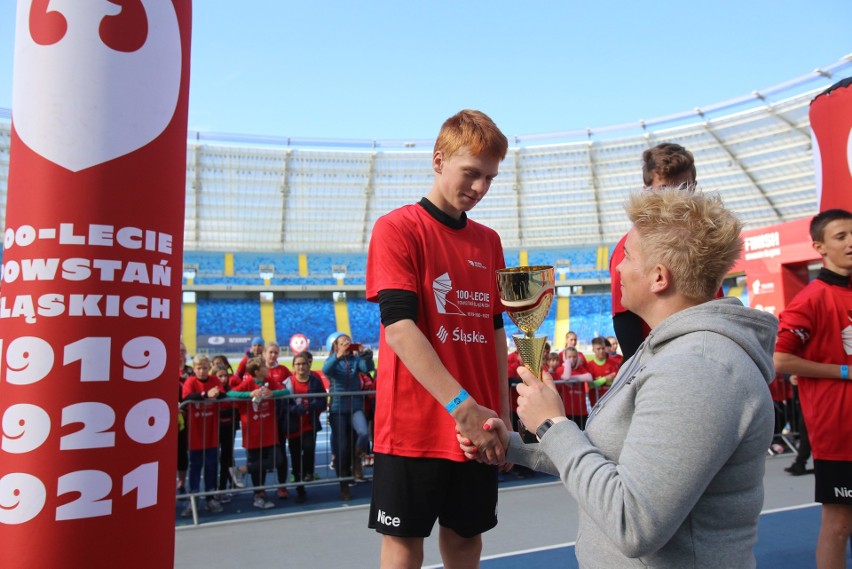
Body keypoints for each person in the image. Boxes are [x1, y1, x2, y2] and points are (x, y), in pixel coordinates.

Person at [463, 188, 777, 568]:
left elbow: (634, 523)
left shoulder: (699, 368)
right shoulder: (665, 350)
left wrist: (553, 424)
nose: (617, 269)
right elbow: (606, 456)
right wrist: (511, 444)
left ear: (659, 277)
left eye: (627, 257)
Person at [365, 109, 510, 569]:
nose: (480, 188)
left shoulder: (489, 242)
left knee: (467, 543)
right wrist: (462, 408)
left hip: (478, 427)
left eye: (489, 178)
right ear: (438, 160)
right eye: (471, 173)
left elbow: (495, 331)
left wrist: (501, 416)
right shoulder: (397, 228)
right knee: (404, 548)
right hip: (414, 427)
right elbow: (400, 329)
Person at [773, 208, 852, 569]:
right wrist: (843, 371)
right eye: (841, 237)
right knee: (839, 525)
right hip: (838, 433)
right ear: (819, 247)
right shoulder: (810, 299)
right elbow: (781, 360)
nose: (851, 243)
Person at [610, 143, 697, 361]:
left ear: (695, 186)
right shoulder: (630, 246)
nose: (677, 198)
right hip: (665, 369)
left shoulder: (705, 242)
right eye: (666, 189)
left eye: (684, 188)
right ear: (647, 190)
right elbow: (624, 320)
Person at [227, 357, 290, 509]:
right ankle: (259, 496)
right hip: (253, 432)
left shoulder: (269, 381)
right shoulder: (248, 383)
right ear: (256, 371)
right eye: (263, 366)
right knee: (258, 466)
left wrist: (272, 393)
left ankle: (241, 470)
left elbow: (286, 391)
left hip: (269, 431)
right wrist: (249, 394)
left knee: (277, 460)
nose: (267, 367)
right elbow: (230, 394)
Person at [321, 333, 375, 499]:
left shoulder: (355, 360)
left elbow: (368, 369)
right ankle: (343, 483)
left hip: (355, 406)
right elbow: (326, 370)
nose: (346, 344)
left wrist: (367, 356)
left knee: (364, 433)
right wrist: (338, 355)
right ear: (336, 346)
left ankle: (359, 452)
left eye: (348, 342)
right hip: (338, 410)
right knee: (342, 448)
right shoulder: (333, 360)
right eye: (342, 342)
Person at [181, 354, 226, 516]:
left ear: (209, 368)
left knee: (211, 465)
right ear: (194, 369)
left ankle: (210, 497)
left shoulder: (214, 380)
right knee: (195, 466)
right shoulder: (191, 382)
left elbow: (222, 393)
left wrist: (216, 394)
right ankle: (192, 499)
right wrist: (205, 395)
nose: (202, 371)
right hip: (196, 433)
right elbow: (187, 397)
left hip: (211, 432)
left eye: (205, 368)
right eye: (199, 368)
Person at [281, 352, 327, 503]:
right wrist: (294, 410)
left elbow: (323, 400)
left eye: (304, 364)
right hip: (293, 426)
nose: (301, 367)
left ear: (308, 365)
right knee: (295, 455)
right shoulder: (287, 382)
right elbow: (283, 404)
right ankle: (300, 487)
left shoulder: (314, 381)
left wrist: (315, 405)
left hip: (309, 423)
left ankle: (308, 473)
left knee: (308, 449)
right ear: (293, 366)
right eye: (298, 364)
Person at [557, 346, 593, 429]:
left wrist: (574, 378)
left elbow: (589, 377)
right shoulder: (561, 369)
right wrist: (568, 364)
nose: (572, 359)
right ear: (565, 358)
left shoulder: (581, 369)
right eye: (569, 357)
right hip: (567, 411)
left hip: (581, 410)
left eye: (574, 357)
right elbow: (566, 377)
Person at [177, 342, 193, 499]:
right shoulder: (166, 368)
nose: (181, 353)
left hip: (187, 417)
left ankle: (181, 481)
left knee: (182, 452)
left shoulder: (190, 371)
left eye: (183, 351)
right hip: (168, 417)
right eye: (179, 350)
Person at [584, 336, 619, 407]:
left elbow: (618, 381)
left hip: (611, 400)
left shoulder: (613, 364)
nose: (601, 351)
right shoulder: (589, 365)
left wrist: (599, 381)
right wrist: (606, 379)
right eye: (598, 349)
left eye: (603, 348)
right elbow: (590, 385)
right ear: (593, 350)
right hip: (596, 402)